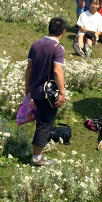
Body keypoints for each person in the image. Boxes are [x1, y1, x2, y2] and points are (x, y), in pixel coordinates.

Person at [22, 17, 68, 167]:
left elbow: (29, 67)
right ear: (64, 32)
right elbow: (57, 70)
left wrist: (27, 85)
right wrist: (62, 92)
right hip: (48, 93)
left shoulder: (36, 44)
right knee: (45, 123)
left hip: (35, 89)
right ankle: (36, 157)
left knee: (43, 120)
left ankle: (41, 146)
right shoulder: (57, 48)